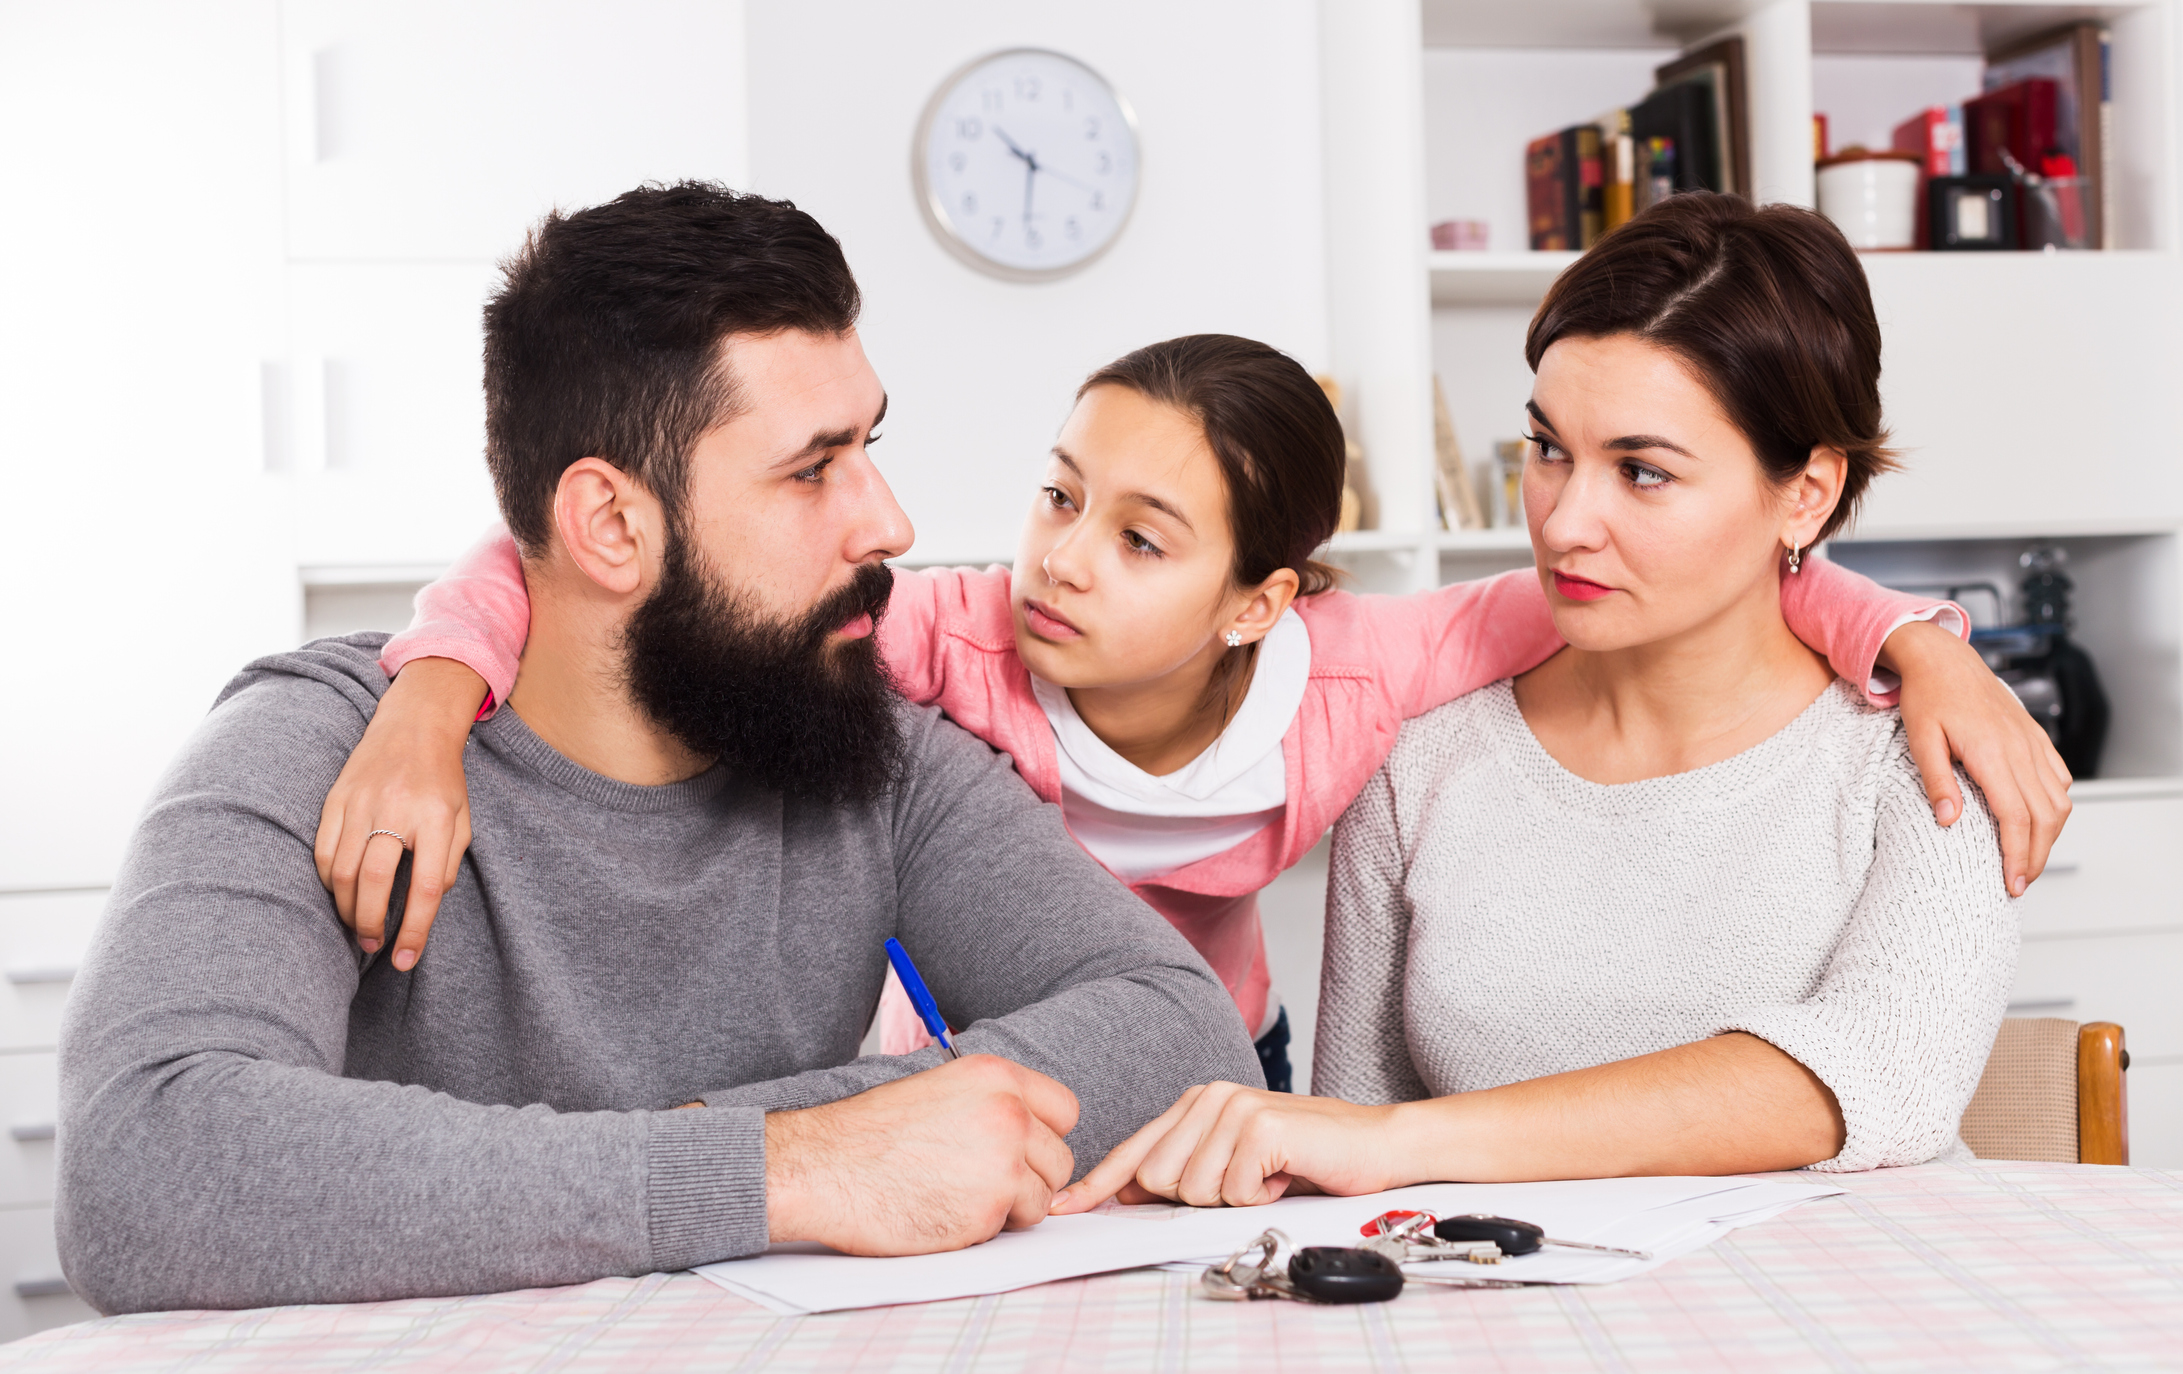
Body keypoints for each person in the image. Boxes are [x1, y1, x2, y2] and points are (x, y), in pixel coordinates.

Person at [55, 182, 1264, 1314]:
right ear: (612, 526)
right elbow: (143, 1161)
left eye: (869, 448)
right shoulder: (331, 746)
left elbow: (1183, 1037)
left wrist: (728, 1145)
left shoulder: (877, 758)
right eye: (812, 471)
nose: (887, 523)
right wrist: (780, 1170)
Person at [330, 342, 2063, 1089]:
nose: (1058, 562)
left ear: (1259, 599)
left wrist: (1923, 644)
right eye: (1058, 494)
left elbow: (1690, 573)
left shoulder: (1368, 673)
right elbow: (576, 547)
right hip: (957, 1056)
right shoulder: (948, 633)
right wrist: (428, 690)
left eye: (1140, 536)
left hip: (1226, 1060)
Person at [1050, 193, 2035, 1213]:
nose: (1565, 522)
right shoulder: (1422, 755)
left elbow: (1880, 1075)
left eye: (1641, 472)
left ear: (1805, 495)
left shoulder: (1925, 743)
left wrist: (1402, 1141)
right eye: (1548, 448)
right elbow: (1349, 1138)